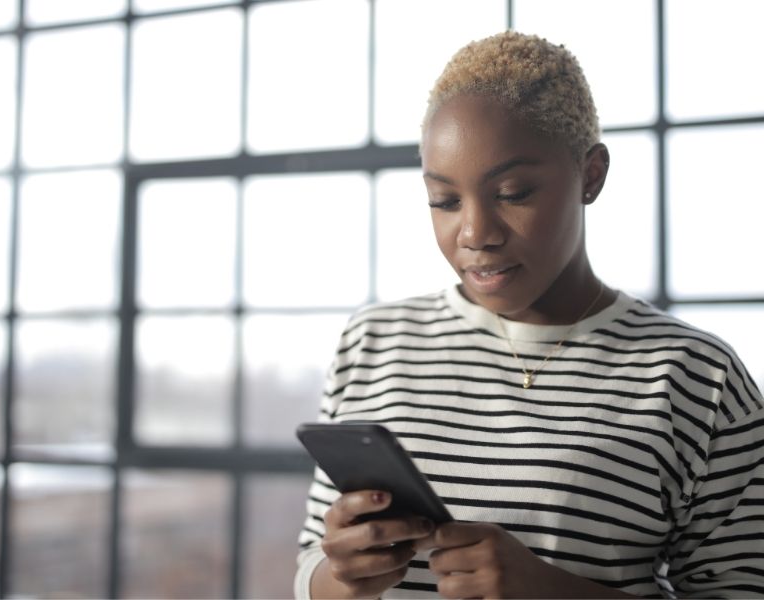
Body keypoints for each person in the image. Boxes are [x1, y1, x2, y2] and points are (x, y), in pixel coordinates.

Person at [294, 30, 764, 599]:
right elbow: (310, 572)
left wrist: (551, 591)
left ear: (590, 175)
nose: (474, 233)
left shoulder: (695, 377)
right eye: (444, 200)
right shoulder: (374, 339)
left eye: (512, 192)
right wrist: (340, 575)